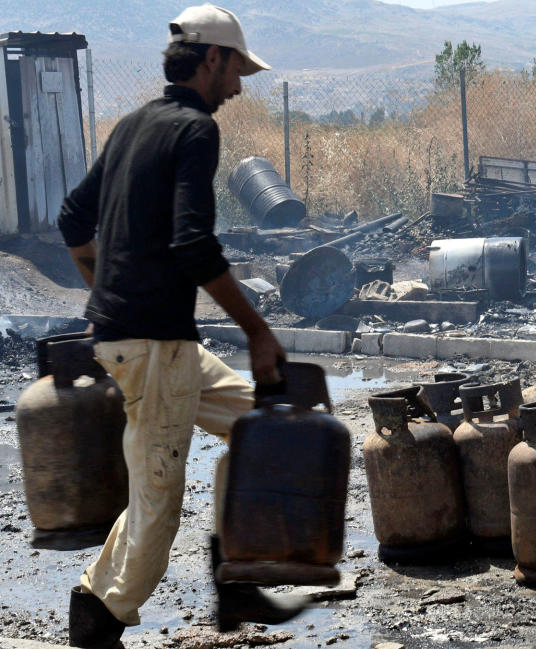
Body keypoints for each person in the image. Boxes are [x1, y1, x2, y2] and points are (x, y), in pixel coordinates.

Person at [57, 5, 306, 647]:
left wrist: (106, 297)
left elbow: (72, 220)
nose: (240, 85)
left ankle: (239, 572)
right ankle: (97, 617)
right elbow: (193, 245)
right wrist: (257, 331)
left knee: (267, 424)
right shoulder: (194, 130)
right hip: (155, 347)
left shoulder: (133, 125)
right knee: (157, 505)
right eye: (236, 69)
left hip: (157, 343)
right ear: (211, 59)